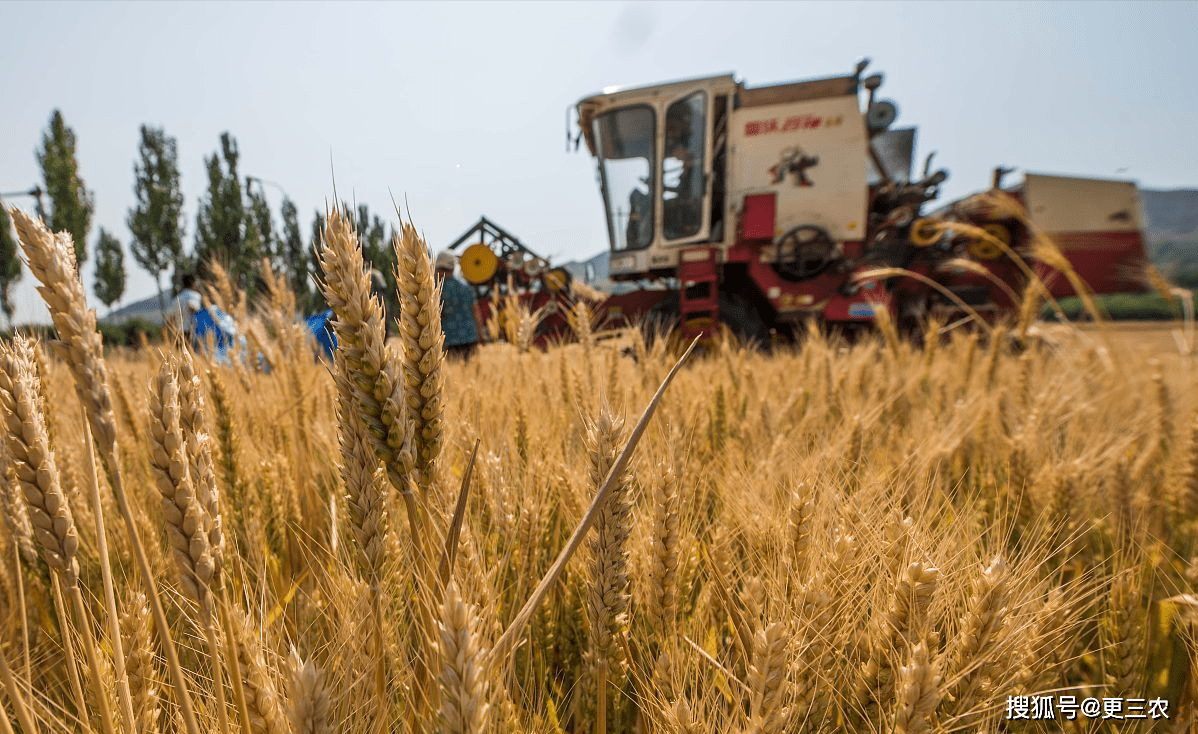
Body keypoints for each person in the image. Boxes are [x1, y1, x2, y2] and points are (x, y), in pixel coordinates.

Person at [435, 251, 481, 361]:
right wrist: (480, 334)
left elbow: (435, 316)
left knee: (454, 369)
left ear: (439, 269)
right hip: (470, 336)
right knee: (470, 368)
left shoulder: (439, 289)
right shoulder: (466, 285)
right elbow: (475, 311)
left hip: (450, 339)